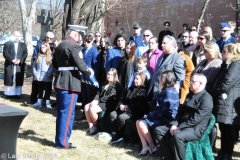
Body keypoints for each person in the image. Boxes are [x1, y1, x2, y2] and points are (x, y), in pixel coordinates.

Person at [52, 29, 92, 149]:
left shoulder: (60, 46)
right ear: (75, 35)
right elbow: (81, 65)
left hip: (60, 81)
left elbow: (54, 64)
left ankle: (60, 140)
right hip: (69, 84)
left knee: (61, 113)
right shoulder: (75, 47)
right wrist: (89, 72)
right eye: (79, 36)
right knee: (68, 114)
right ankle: (63, 143)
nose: (80, 38)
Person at [170, 73, 213, 160]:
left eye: (192, 81)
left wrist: (180, 127)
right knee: (161, 129)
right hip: (185, 124)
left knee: (178, 136)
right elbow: (180, 111)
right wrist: (174, 124)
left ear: (200, 83)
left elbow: (196, 119)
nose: (189, 83)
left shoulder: (206, 99)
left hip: (195, 128)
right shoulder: (190, 95)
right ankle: (166, 156)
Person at [137, 70, 179, 157]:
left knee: (141, 123)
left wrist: (149, 115)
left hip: (167, 119)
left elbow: (163, 111)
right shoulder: (165, 90)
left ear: (167, 80)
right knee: (138, 122)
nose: (160, 80)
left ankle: (152, 146)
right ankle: (145, 146)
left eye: (162, 78)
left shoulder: (169, 92)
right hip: (161, 116)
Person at [211, 43, 240, 160]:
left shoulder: (236, 65)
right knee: (223, 128)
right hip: (224, 100)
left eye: (224, 51)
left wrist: (215, 91)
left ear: (231, 53)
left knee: (228, 129)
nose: (222, 53)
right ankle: (223, 152)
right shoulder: (227, 64)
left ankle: (227, 154)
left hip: (230, 100)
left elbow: (227, 82)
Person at [110, 72, 149, 143]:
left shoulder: (142, 92)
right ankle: (115, 135)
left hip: (133, 112)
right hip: (124, 109)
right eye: (135, 79)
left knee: (121, 117)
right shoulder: (130, 89)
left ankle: (123, 137)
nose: (135, 80)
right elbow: (122, 99)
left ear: (142, 80)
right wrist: (121, 104)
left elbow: (138, 106)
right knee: (113, 114)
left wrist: (126, 107)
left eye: (137, 79)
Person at [84, 68, 122, 135]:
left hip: (109, 104)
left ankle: (97, 127)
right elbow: (98, 94)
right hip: (102, 102)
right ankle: (91, 126)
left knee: (92, 109)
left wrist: (98, 101)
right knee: (86, 106)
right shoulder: (105, 83)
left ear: (115, 76)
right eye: (108, 74)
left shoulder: (116, 85)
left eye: (111, 75)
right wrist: (94, 100)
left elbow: (110, 96)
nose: (109, 76)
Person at [27, 31, 55, 104]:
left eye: (50, 38)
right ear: (45, 37)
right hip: (38, 67)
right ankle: (33, 99)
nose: (48, 39)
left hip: (48, 69)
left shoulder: (53, 46)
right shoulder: (40, 44)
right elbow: (35, 55)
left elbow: (54, 58)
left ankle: (46, 100)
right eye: (47, 37)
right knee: (36, 84)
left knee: (47, 85)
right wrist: (35, 65)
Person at [3, 31, 28, 97]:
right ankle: (8, 93)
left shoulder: (23, 45)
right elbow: (5, 53)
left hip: (19, 65)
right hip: (10, 64)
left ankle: (17, 93)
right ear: (13, 36)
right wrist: (11, 59)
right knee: (9, 78)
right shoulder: (7, 44)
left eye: (18, 36)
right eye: (16, 36)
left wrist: (20, 60)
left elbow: (25, 53)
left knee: (18, 79)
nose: (17, 38)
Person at [32, 42, 54, 109]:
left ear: (47, 48)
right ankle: (39, 102)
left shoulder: (50, 56)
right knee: (40, 89)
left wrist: (48, 73)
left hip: (46, 76)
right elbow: (34, 66)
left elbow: (52, 66)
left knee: (47, 90)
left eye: (43, 47)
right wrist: (35, 74)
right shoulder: (38, 55)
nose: (42, 49)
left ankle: (47, 103)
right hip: (39, 76)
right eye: (41, 47)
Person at [81, 33, 100, 110]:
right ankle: (84, 110)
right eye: (85, 41)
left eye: (88, 41)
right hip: (83, 75)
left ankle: (88, 111)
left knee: (90, 94)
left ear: (92, 41)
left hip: (90, 77)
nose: (86, 43)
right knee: (84, 93)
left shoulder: (94, 52)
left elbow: (96, 66)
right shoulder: (83, 50)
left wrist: (92, 73)